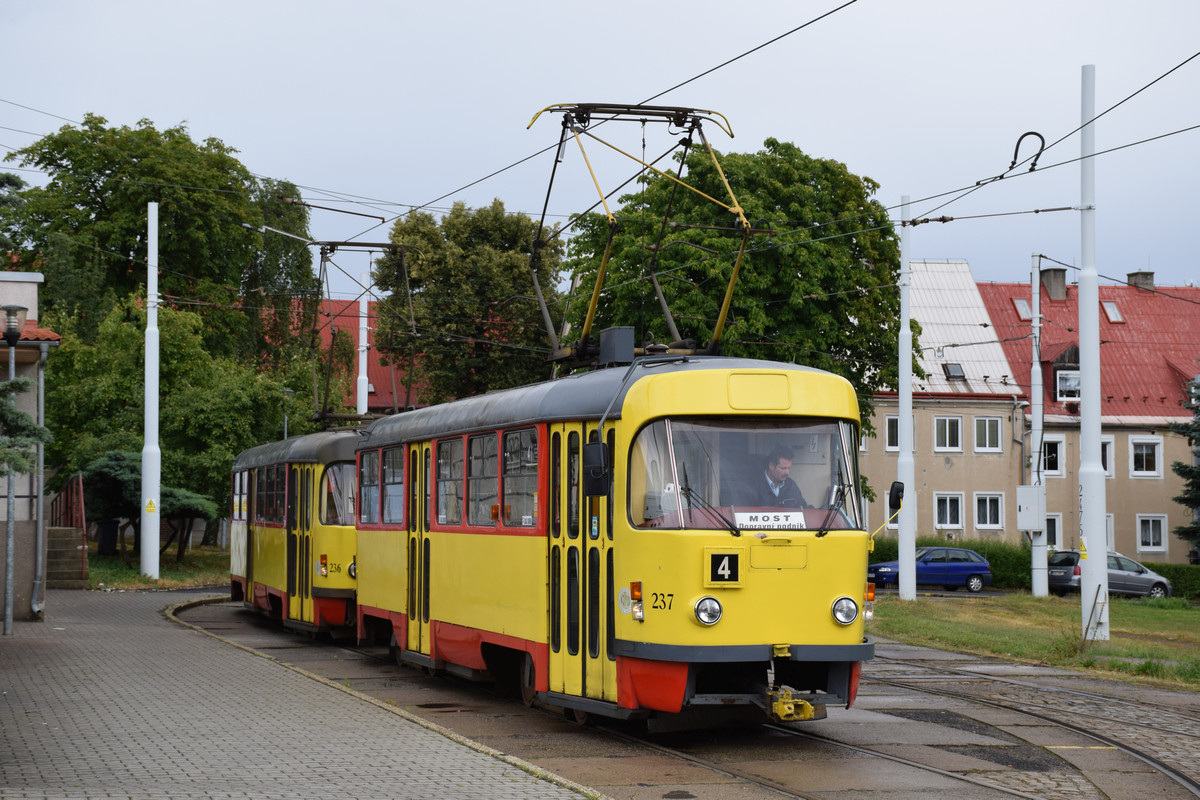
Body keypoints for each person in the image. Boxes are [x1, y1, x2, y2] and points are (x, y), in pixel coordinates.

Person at [739, 446, 812, 508]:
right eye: (783, 468)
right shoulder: (752, 486)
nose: (787, 472)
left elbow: (803, 510)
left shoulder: (791, 485)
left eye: (789, 468)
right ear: (771, 466)